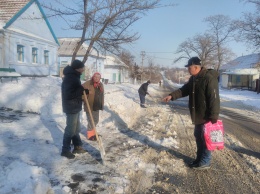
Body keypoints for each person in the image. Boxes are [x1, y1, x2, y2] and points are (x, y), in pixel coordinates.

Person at [162, 57, 220, 170]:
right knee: (198, 137)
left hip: (207, 116)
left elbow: (214, 98)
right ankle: (199, 159)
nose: (188, 69)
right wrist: (171, 96)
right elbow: (184, 90)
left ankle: (205, 161)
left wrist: (214, 115)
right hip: (198, 115)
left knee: (206, 139)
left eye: (189, 67)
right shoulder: (194, 79)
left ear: (196, 67)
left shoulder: (208, 79)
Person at [61, 59, 88, 159]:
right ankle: (65, 150)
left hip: (75, 106)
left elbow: (75, 90)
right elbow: (69, 94)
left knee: (76, 129)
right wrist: (80, 90)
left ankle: (77, 147)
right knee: (70, 130)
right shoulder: (70, 78)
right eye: (82, 67)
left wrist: (82, 91)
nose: (83, 69)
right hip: (71, 107)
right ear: (78, 68)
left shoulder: (74, 76)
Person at [82, 72, 104, 141]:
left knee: (96, 120)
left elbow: (101, 95)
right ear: (93, 77)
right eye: (95, 77)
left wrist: (101, 103)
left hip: (96, 105)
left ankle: (93, 133)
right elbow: (80, 90)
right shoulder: (88, 83)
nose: (96, 78)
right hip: (89, 105)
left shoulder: (100, 85)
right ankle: (90, 135)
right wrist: (85, 98)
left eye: (98, 77)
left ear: (100, 78)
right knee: (91, 121)